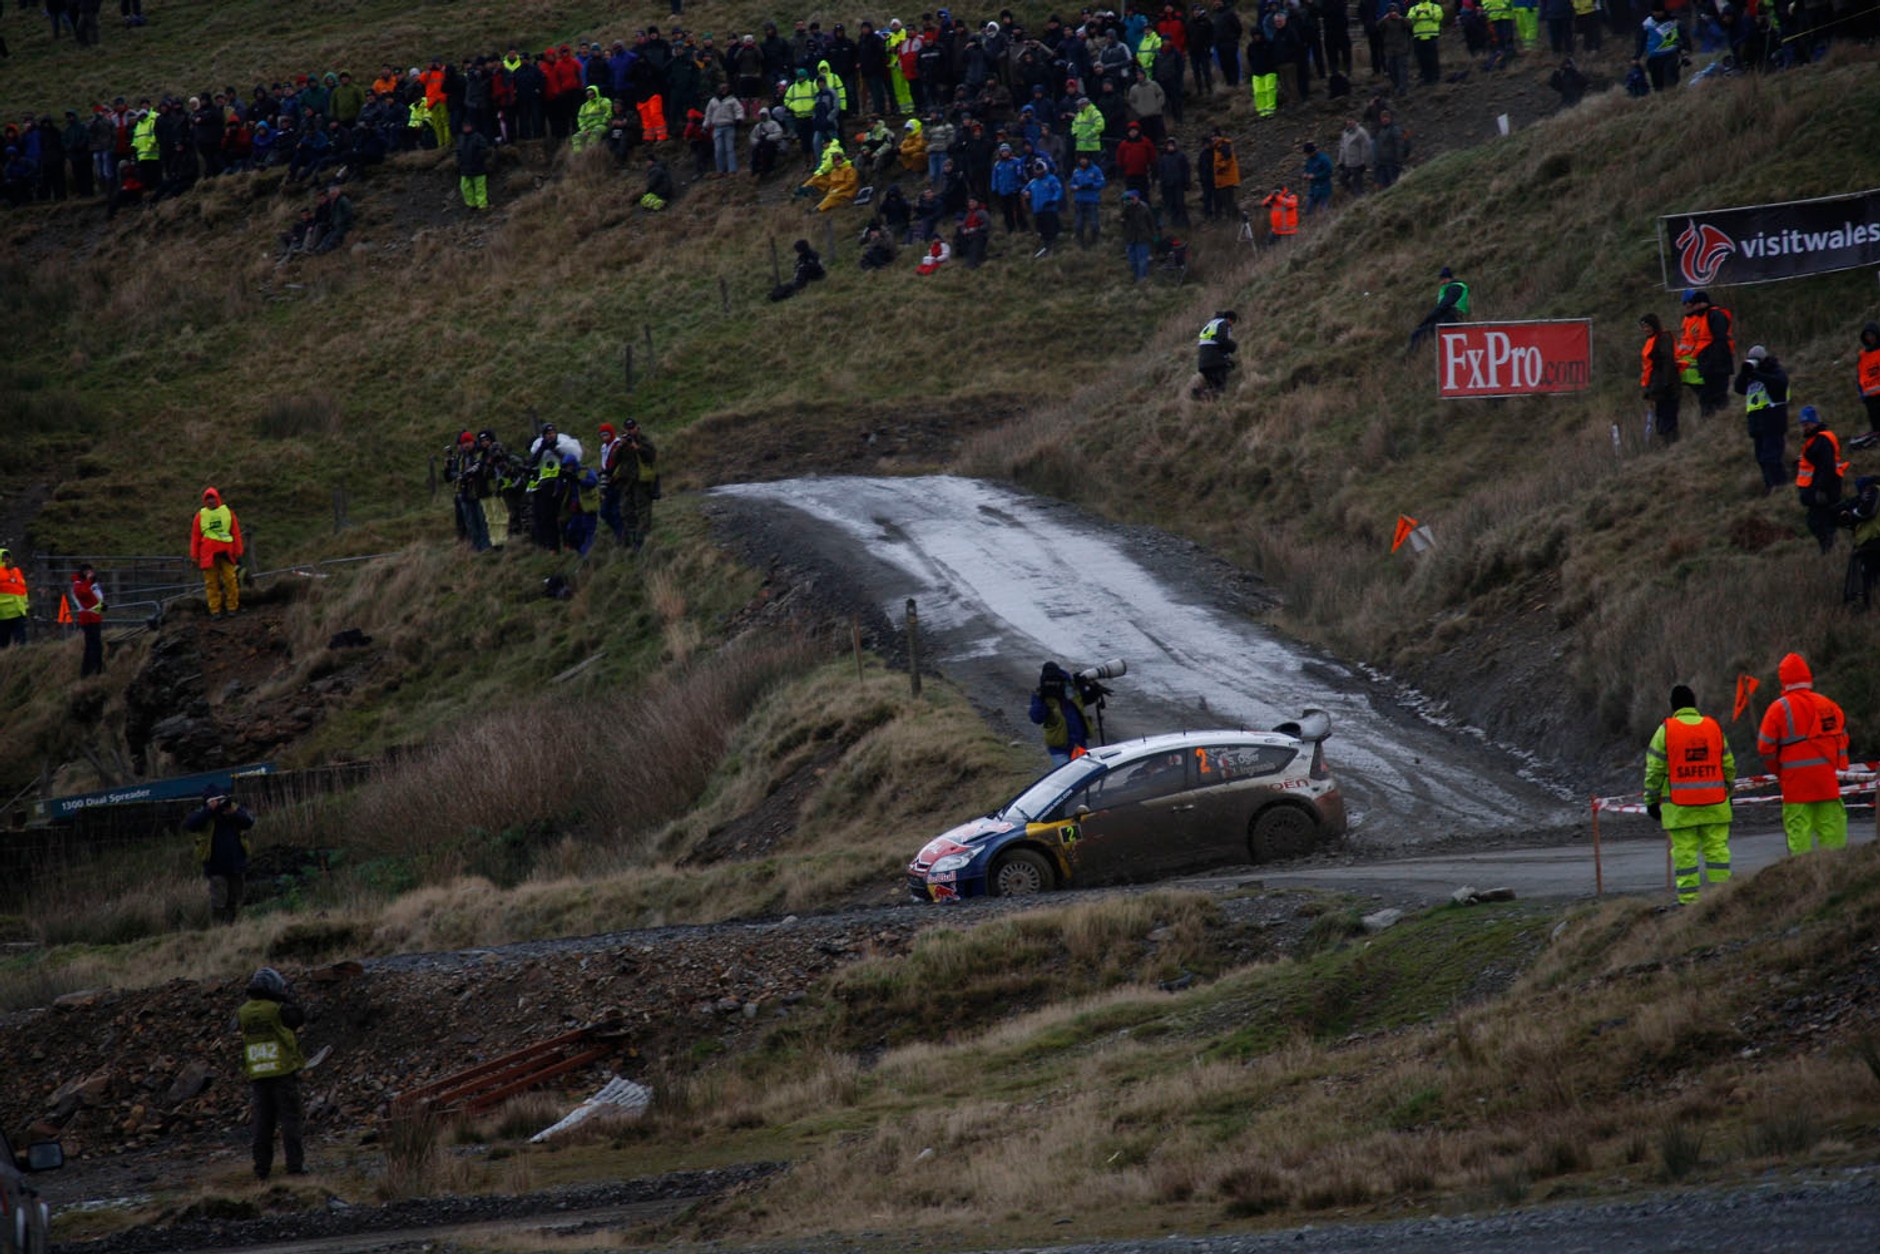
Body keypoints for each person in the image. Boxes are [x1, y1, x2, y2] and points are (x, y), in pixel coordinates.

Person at [1643, 685, 1736, 907]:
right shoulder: (1713, 728)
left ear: (1673, 706)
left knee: (1685, 855)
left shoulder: (1666, 730)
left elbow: (1654, 770)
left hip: (1680, 807)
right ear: (1694, 704)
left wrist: (1651, 800)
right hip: (1715, 804)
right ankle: (1722, 899)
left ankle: (1689, 903)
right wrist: (1728, 791)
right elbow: (1729, 765)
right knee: (1717, 852)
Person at [1756, 652, 1850, 856]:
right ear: (1808, 677)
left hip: (1795, 785)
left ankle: (1803, 882)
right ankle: (1835, 878)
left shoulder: (1778, 709)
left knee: (1799, 836)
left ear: (1784, 680)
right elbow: (1842, 738)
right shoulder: (1828, 705)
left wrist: (1779, 771)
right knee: (1832, 832)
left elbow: (1765, 747)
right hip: (1826, 782)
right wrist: (1837, 765)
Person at [238, 966, 308, 1181]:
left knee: (262, 1124)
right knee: (290, 1122)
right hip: (283, 1073)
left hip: (258, 1074)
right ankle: (294, 1167)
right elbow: (299, 1018)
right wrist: (287, 999)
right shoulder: (278, 1009)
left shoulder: (244, 1012)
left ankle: (261, 1170)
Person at [185, 784, 255, 925]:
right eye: (216, 800)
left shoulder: (233, 809)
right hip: (215, 866)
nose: (220, 803)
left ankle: (234, 927)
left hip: (236, 863)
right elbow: (190, 824)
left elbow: (249, 821)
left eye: (221, 799)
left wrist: (232, 813)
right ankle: (219, 929)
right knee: (219, 901)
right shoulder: (203, 813)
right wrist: (209, 810)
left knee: (235, 899)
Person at [1733, 345, 1790, 493]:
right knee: (1762, 459)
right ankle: (1770, 486)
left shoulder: (1774, 370)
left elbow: (1780, 384)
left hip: (1773, 421)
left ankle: (1781, 487)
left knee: (1771, 458)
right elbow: (1738, 388)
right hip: (1757, 423)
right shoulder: (1750, 374)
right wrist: (1745, 372)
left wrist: (1758, 374)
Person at [1796, 407, 1847, 555]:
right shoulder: (1816, 440)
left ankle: (1829, 550)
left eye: (1807, 424)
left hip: (1823, 490)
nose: (1804, 427)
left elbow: (1827, 467)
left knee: (1819, 522)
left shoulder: (1822, 440)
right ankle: (1829, 549)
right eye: (1803, 424)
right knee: (1819, 521)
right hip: (1819, 489)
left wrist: (1819, 489)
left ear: (1815, 423)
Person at [1675, 288, 1733, 417]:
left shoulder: (1710, 316)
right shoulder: (1690, 319)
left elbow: (1717, 340)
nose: (1687, 306)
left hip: (1708, 365)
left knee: (1713, 398)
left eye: (1690, 303)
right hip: (1696, 367)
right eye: (1685, 304)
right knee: (1707, 399)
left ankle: (1721, 420)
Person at [191, 487, 244, 617]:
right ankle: (215, 610)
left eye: (212, 498)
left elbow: (235, 532)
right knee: (211, 583)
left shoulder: (228, 512)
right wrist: (194, 555)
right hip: (208, 554)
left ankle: (232, 607)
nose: (210, 501)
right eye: (208, 499)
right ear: (205, 501)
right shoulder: (200, 516)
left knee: (231, 580)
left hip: (226, 552)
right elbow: (195, 536)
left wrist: (238, 550)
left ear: (217, 498)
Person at [1029, 661, 1090, 766]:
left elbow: (1084, 700)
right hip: (1059, 748)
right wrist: (1042, 699)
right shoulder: (1042, 695)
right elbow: (1037, 718)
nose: (1053, 685)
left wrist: (1087, 687)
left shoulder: (1069, 688)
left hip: (1078, 745)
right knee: (1067, 776)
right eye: (1049, 682)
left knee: (1080, 775)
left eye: (1055, 681)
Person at [615, 417, 659, 550]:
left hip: (641, 481)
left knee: (643, 509)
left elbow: (651, 456)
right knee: (625, 509)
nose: (630, 431)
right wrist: (621, 446)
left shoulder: (644, 440)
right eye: (628, 429)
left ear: (637, 427)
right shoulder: (623, 443)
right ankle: (632, 537)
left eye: (632, 428)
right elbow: (615, 460)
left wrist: (638, 448)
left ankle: (641, 539)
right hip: (627, 481)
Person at [1639, 312, 1680, 446]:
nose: (1645, 329)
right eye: (1643, 327)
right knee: (1661, 420)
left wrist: (1665, 385)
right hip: (1657, 387)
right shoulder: (1652, 340)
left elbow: (1667, 363)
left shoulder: (1663, 339)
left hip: (1666, 388)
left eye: (1648, 326)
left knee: (1667, 420)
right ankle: (1669, 446)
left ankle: (1672, 446)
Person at [1407, 265, 1469, 352]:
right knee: (1420, 333)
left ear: (1449, 278)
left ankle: (1412, 357)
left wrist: (1427, 320)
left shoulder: (1455, 288)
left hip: (1452, 318)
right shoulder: (1454, 288)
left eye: (1444, 279)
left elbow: (1443, 306)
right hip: (1451, 317)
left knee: (1418, 334)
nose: (1442, 282)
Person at [1194, 309, 1239, 399]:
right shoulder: (1223, 323)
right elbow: (1222, 340)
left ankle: (1201, 393)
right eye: (1232, 323)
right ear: (1230, 319)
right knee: (1220, 387)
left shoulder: (1210, 324)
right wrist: (1233, 346)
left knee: (1213, 384)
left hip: (1203, 362)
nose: (1231, 326)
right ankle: (1203, 394)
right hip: (1215, 361)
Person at [1636, 3, 1681, 92]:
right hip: (1654, 56)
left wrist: (1683, 50)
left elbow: (1680, 36)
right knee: (1657, 84)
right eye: (1655, 11)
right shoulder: (1647, 24)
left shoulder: (1672, 21)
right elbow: (1642, 41)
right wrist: (1637, 56)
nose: (1657, 13)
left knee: (1670, 78)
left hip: (1670, 54)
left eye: (1659, 11)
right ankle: (1661, 100)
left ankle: (1672, 96)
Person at [71, 564, 105, 677]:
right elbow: (84, 596)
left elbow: (98, 598)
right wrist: (88, 581)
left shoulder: (92, 584)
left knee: (96, 644)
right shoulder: (79, 585)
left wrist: (101, 607)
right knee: (91, 645)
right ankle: (89, 670)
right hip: (88, 618)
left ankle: (97, 669)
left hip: (94, 616)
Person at [1853, 322, 1880, 448]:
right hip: (1869, 395)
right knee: (1875, 426)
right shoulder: (1862, 355)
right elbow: (1859, 374)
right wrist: (1861, 392)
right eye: (1867, 335)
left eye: (1872, 335)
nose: (1870, 338)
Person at [456, 119, 492, 210]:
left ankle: (482, 205)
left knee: (480, 188)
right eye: (464, 126)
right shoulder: (461, 138)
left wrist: (479, 158)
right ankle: (472, 204)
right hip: (465, 168)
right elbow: (458, 152)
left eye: (468, 126)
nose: (466, 128)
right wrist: (459, 162)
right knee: (465, 187)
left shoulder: (478, 137)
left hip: (478, 167)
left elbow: (485, 150)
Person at [1407, 0, 1445, 85]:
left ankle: (1435, 77)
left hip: (1431, 35)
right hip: (1418, 36)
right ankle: (1426, 77)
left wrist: (1428, 13)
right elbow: (1409, 20)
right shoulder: (1414, 8)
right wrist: (1417, 15)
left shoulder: (1434, 6)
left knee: (1432, 58)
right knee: (1422, 59)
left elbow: (1438, 17)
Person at [1121, 189, 1155, 280]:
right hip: (1130, 237)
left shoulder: (1144, 207)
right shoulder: (1127, 208)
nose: (1131, 200)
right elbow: (1123, 221)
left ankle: (1142, 279)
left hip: (1142, 237)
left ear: (1137, 197)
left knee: (1143, 260)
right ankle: (1136, 277)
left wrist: (1153, 235)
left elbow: (1150, 222)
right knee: (1132, 260)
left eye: (1132, 198)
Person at [1335, 118, 1371, 196]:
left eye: (1351, 120)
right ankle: (1353, 193)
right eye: (1348, 120)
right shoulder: (1345, 132)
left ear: (1355, 120)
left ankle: (1361, 199)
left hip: (1357, 164)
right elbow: (1342, 147)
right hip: (1347, 163)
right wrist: (1340, 160)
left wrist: (1365, 162)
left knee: (1358, 185)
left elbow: (1367, 147)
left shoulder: (1361, 132)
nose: (1349, 122)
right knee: (1342, 179)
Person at [0, 547, 27, 650]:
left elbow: (22, 589)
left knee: (21, 644)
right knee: (3, 645)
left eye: (8, 557)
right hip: (3, 615)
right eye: (4, 558)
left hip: (18, 612)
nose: (7, 560)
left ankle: (20, 662)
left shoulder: (16, 571)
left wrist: (25, 605)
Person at [1301, 141, 1333, 213]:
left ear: (1311, 152)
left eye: (1307, 153)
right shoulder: (1309, 160)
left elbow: (1329, 172)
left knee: (1324, 209)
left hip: (1323, 188)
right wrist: (1305, 174)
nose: (1306, 155)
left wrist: (1315, 176)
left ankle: (1326, 222)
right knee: (1309, 209)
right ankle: (1311, 223)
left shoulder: (1324, 159)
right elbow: (1307, 169)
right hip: (1313, 189)